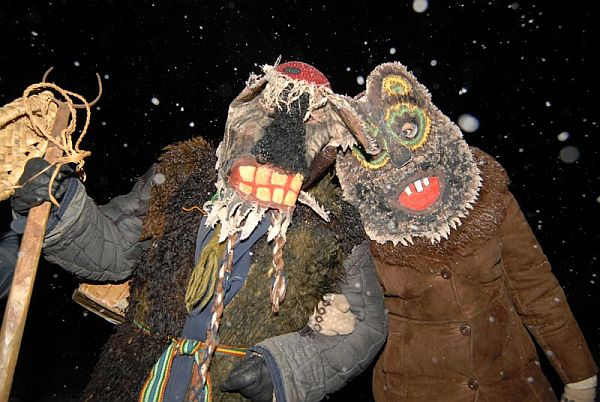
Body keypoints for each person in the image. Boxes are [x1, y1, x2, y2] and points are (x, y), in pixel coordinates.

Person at [11, 61, 387, 401]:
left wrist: (286, 368)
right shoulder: (180, 177)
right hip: (137, 379)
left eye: (305, 123)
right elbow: (111, 250)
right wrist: (60, 206)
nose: (278, 140)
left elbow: (365, 322)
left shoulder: (334, 225)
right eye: (269, 113)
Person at [333, 62, 597, 402]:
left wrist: (579, 376)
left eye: (408, 131)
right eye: (375, 149)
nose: (400, 157)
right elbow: (355, 314)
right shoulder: (360, 227)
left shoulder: (483, 191)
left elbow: (535, 287)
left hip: (514, 386)